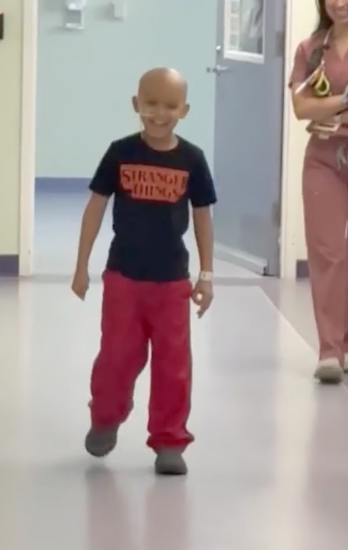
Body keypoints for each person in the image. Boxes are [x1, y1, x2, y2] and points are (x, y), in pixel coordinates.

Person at [71, 67, 217, 476]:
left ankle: (170, 440)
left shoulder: (192, 159)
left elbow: (203, 218)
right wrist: (81, 265)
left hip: (172, 282)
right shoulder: (120, 152)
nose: (159, 113)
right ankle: (105, 416)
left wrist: (206, 274)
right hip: (124, 278)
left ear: (183, 110)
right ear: (137, 105)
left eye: (169, 105)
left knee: (173, 364)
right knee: (117, 355)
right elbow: (95, 209)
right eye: (150, 104)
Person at [289, 0, 348, 383]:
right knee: (328, 253)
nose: (342, 2)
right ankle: (330, 350)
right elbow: (301, 108)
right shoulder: (310, 49)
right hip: (323, 160)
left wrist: (329, 112)